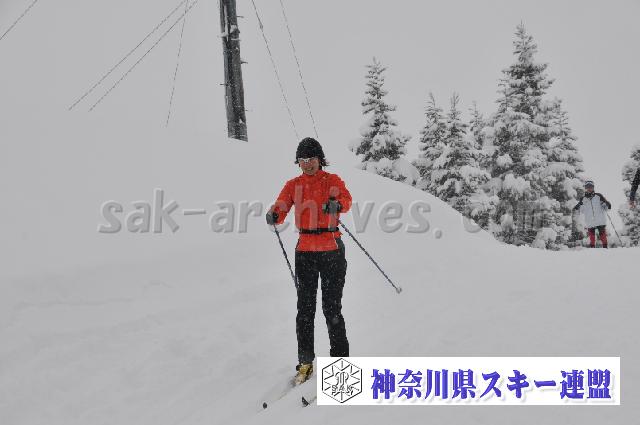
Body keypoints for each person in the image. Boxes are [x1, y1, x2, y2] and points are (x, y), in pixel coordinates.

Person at [266, 137, 353, 385]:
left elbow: (346, 200)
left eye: (311, 159)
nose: (307, 164)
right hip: (304, 251)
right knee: (305, 310)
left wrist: (336, 204)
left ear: (320, 159)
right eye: (302, 160)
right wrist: (274, 214)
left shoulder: (331, 180)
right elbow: (282, 206)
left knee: (331, 308)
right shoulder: (294, 185)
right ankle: (305, 363)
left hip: (331, 249)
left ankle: (340, 364)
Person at [573, 180, 612, 248]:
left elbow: (606, 207)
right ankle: (592, 250)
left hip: (600, 220)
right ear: (585, 188)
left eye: (590, 187)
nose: (589, 188)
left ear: (593, 187)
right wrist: (578, 207)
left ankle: (605, 248)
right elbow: (580, 210)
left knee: (602, 235)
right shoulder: (583, 199)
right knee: (592, 238)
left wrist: (607, 204)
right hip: (590, 221)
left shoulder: (599, 196)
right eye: (587, 187)